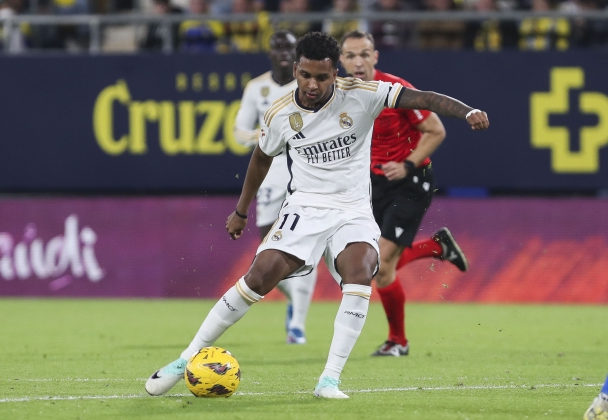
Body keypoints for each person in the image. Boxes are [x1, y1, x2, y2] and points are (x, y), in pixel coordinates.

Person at [145, 31, 489, 399]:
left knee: (362, 271)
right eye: (305, 75)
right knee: (258, 278)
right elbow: (261, 157)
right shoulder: (280, 113)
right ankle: (184, 360)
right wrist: (241, 211)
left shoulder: (362, 94)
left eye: (322, 77)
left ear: (334, 72)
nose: (312, 84)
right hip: (305, 207)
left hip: (353, 209)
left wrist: (466, 110)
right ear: (295, 69)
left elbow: (425, 98)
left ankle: (329, 380)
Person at [339, 30, 470, 357]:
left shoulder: (395, 90)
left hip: (411, 180)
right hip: (372, 184)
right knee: (375, 267)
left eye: (364, 54)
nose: (358, 61)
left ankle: (398, 341)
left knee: (380, 266)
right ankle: (436, 246)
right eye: (351, 55)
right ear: (340, 60)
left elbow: (436, 130)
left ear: (375, 56)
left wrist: (408, 164)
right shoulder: (339, 95)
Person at [233, 30, 317, 344]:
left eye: (289, 47)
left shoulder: (309, 83)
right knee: (266, 251)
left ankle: (297, 324)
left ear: (298, 52)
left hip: (308, 171)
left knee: (308, 249)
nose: (283, 52)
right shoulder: (257, 88)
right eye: (277, 46)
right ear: (269, 52)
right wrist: (267, 136)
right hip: (270, 171)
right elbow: (239, 132)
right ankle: (295, 296)